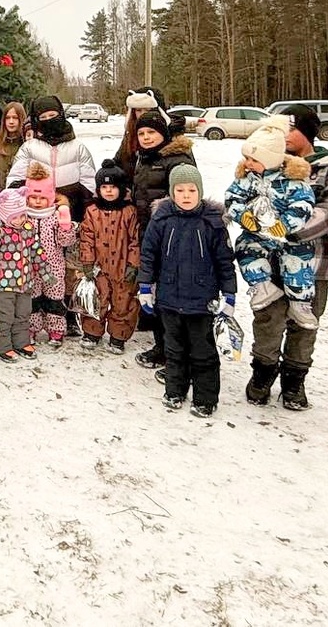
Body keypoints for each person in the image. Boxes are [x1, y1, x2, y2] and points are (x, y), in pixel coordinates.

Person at [246, 104, 328, 411]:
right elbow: (249, 200)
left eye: (289, 129)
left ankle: (294, 381)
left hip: (314, 262)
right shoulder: (265, 163)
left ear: (307, 132)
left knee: (305, 324)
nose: (283, 136)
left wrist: (282, 230)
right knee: (267, 320)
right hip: (269, 260)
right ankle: (262, 375)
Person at [138, 164, 237, 417]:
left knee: (202, 351)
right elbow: (148, 255)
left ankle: (205, 398)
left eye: (191, 190)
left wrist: (229, 294)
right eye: (179, 190)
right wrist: (146, 286)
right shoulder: (161, 219)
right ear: (172, 192)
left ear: (200, 191)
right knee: (174, 349)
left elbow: (225, 262)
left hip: (202, 301)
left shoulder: (212, 222)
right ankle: (175, 390)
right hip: (169, 299)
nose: (185, 195)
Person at [224, 118, 317, 328]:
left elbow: (303, 205)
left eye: (253, 159)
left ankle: (300, 302)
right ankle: (262, 286)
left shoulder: (293, 181)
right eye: (246, 158)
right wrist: (242, 215)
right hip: (257, 232)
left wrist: (286, 224)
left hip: (287, 235)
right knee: (245, 249)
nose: (248, 163)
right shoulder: (247, 179)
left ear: (271, 159)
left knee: (298, 262)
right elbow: (232, 198)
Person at [129, 107, 196, 370]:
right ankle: (162, 346)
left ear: (163, 133)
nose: (146, 137)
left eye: (151, 132)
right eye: (141, 133)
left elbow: (186, 198)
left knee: (171, 296)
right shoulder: (144, 158)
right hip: (149, 234)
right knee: (155, 291)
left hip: (173, 237)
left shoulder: (178, 159)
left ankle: (177, 353)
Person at [77, 159, 141, 353]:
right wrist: (87, 262)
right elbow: (86, 238)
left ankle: (118, 336)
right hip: (99, 268)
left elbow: (135, 240)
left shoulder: (129, 212)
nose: (109, 191)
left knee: (124, 303)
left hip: (122, 269)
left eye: (113, 187)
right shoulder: (92, 211)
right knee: (97, 300)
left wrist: (133, 264)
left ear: (121, 188)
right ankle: (92, 332)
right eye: (104, 187)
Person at [5, 95, 95, 220]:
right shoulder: (28, 148)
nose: (48, 120)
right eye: (43, 117)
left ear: (61, 114)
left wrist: (68, 202)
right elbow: (14, 183)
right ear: (36, 121)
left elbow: (89, 186)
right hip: (34, 216)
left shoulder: (78, 149)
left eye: (52, 116)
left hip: (70, 215)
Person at [0, 187, 41, 363]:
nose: (20, 220)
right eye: (15, 217)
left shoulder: (28, 227)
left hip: (25, 281)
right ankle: (1, 346)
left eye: (22, 215)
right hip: (3, 284)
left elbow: (36, 250)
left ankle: (21, 342)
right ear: (5, 215)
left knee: (23, 314)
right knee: (5, 316)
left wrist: (44, 272)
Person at [22, 162, 76, 347]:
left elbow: (66, 242)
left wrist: (66, 225)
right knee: (32, 300)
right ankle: (31, 329)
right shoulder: (23, 217)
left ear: (51, 197)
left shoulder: (54, 215)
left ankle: (56, 330)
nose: (37, 201)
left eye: (42, 197)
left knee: (54, 300)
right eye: (33, 197)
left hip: (54, 268)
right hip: (30, 269)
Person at [0, 102, 27, 192]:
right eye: (8, 118)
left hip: (23, 194)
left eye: (15, 118)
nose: (11, 122)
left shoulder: (27, 143)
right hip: (2, 194)